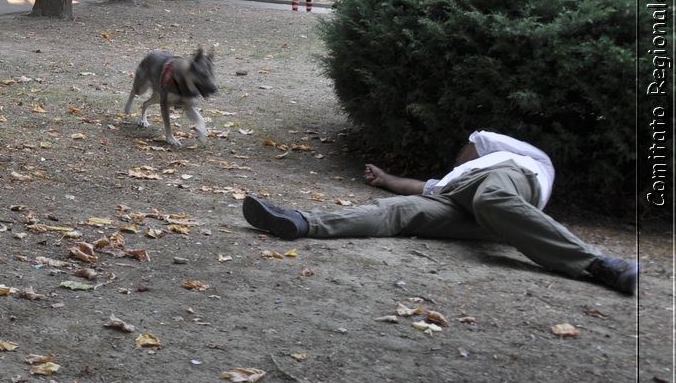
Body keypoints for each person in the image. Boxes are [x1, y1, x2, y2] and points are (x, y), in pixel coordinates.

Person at [241, 131, 640, 295]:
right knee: (396, 211)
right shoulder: (450, 181)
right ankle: (301, 221)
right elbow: (423, 188)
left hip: (507, 184)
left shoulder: (514, 157)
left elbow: (477, 138)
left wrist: (462, 164)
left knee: (492, 200)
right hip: (476, 209)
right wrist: (386, 179)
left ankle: (601, 265)